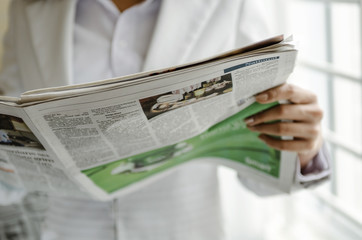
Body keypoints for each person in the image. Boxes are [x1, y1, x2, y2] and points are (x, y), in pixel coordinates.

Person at [0, 0, 330, 239]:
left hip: (187, 229)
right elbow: (13, 168)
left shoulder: (230, 6)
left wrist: (300, 145)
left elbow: (257, 174)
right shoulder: (28, 9)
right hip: (65, 230)